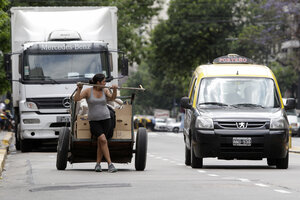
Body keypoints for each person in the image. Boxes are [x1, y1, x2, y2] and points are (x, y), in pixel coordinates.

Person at [74, 73, 118, 173]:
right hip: (94, 121)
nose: (105, 83)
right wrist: (79, 89)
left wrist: (114, 89)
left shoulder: (105, 90)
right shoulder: (88, 91)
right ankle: (110, 164)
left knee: (101, 142)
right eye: (103, 81)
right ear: (98, 82)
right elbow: (76, 99)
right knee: (103, 139)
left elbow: (112, 98)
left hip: (106, 119)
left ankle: (98, 164)